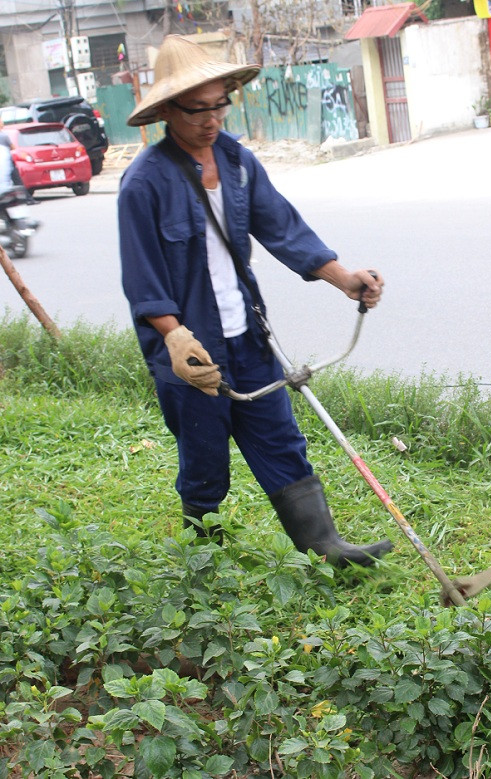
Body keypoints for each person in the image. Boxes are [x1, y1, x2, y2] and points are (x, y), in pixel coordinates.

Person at [118, 35, 392, 567]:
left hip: (248, 334)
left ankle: (325, 546)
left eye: (219, 104)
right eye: (197, 109)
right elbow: (141, 278)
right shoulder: (143, 183)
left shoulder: (238, 163)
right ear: (168, 111)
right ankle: (204, 559)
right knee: (204, 458)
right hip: (189, 347)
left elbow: (283, 228)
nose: (211, 118)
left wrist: (347, 279)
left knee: (281, 438)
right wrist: (173, 336)